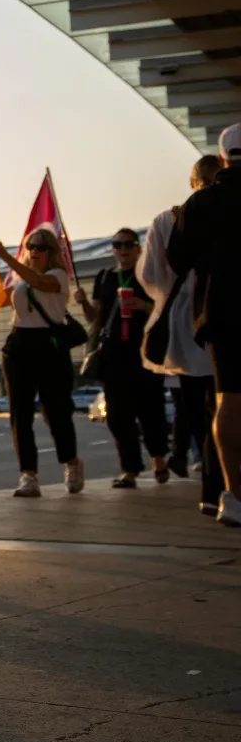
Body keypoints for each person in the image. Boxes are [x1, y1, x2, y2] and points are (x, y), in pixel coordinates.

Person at [166, 123, 241, 527]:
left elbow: (178, 258)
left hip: (221, 310)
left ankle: (233, 494)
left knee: (229, 398)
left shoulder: (201, 203)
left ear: (223, 158)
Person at [143, 155, 225, 516]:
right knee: (223, 405)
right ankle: (220, 484)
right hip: (223, 314)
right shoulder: (228, 211)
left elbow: (149, 275)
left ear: (192, 181)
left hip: (182, 322)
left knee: (197, 412)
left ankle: (210, 490)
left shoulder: (167, 219)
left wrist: (169, 295)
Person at [0, 229, 85, 497]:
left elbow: (39, 282)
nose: (35, 252)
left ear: (52, 253)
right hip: (20, 345)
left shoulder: (57, 277)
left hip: (49, 346)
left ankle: (72, 463)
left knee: (55, 411)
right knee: (20, 413)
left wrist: (5, 255)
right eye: (30, 247)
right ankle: (28, 475)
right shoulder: (19, 283)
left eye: (41, 248)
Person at [88, 229, 171, 487]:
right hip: (114, 353)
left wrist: (142, 305)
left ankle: (158, 459)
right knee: (117, 414)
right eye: (117, 244)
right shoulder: (105, 277)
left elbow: (165, 309)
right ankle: (130, 468)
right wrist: (82, 303)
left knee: (151, 409)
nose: (122, 249)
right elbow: (96, 319)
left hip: (144, 351)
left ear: (138, 249)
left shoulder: (147, 275)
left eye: (128, 244)